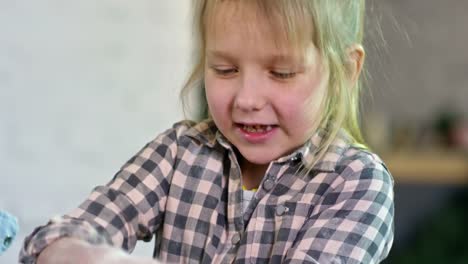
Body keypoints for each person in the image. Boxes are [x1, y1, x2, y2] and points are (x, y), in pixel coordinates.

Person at [20, 0, 394, 263]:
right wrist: (86, 255)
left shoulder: (356, 185)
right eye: (225, 69)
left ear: (344, 71)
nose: (246, 99)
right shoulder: (179, 153)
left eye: (281, 73)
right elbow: (56, 238)